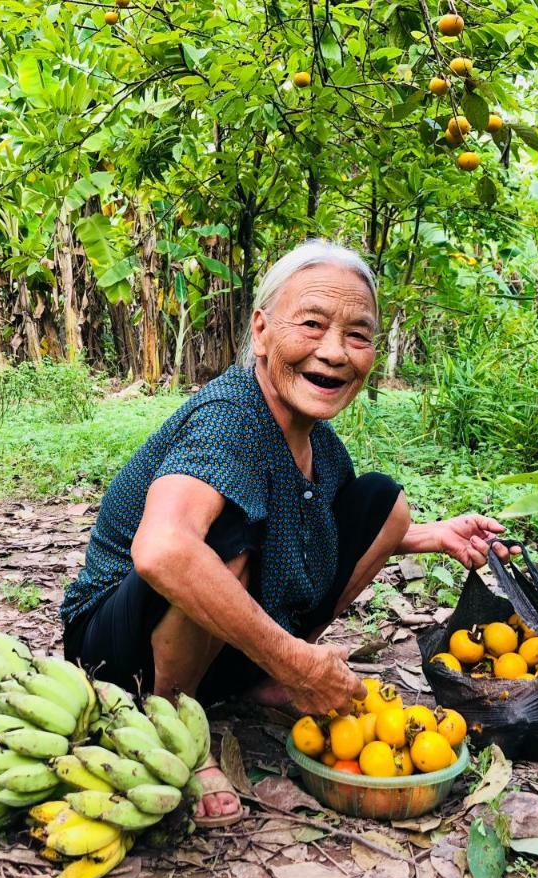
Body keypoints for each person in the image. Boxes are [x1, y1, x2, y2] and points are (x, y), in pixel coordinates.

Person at [61, 240, 509, 826]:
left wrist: (432, 535)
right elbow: (164, 548)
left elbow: (313, 525)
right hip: (116, 649)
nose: (334, 352)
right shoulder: (229, 418)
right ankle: (172, 724)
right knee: (226, 529)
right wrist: (297, 662)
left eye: (357, 335)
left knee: (382, 502)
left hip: (212, 633)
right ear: (262, 329)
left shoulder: (318, 442)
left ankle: (250, 677)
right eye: (313, 324)